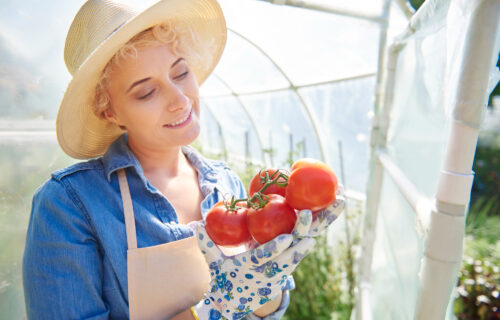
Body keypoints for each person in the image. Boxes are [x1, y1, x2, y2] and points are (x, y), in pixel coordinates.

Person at [22, 0, 345, 319]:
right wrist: (213, 309)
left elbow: (259, 310)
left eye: (180, 72)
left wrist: (266, 285)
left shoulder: (225, 183)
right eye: (146, 92)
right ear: (110, 111)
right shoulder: (69, 204)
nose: (180, 100)